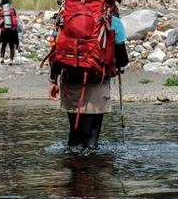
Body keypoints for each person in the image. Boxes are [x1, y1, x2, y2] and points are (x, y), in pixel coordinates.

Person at [48, 13, 129, 150]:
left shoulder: (66, 16)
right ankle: (92, 166)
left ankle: (73, 165)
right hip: (98, 80)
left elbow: (56, 51)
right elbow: (123, 60)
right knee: (92, 136)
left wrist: (53, 80)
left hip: (70, 78)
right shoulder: (112, 20)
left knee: (74, 134)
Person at [0, 0, 20, 65]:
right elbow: (15, 21)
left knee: (3, 45)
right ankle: (11, 61)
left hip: (4, 31)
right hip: (12, 30)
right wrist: (16, 30)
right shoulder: (12, 10)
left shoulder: (0, 11)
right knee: (11, 45)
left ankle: (2, 59)